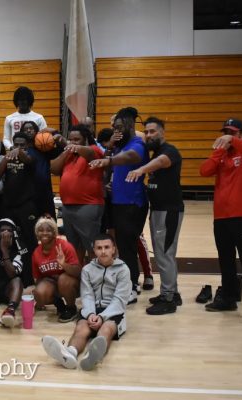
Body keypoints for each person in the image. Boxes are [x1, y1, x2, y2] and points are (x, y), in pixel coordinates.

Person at [200, 118, 242, 324]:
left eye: (232, 133)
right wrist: (219, 151)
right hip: (221, 218)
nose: (227, 136)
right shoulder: (221, 157)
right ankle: (228, 297)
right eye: (225, 132)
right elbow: (204, 171)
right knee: (225, 260)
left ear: (241, 136)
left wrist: (233, 142)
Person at [42, 234, 130, 370]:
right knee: (81, 329)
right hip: (92, 310)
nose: (103, 251)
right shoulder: (87, 269)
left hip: (113, 311)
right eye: (99, 248)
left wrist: (102, 317)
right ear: (94, 250)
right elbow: (87, 295)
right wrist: (90, 314)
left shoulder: (123, 270)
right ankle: (70, 354)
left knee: (106, 330)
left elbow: (119, 299)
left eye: (107, 247)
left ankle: (92, 356)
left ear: (114, 249)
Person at [89, 107, 149, 305]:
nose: (116, 130)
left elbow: (133, 157)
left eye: (120, 127)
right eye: (114, 127)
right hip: (118, 202)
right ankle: (127, 282)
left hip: (132, 203)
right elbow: (111, 164)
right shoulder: (119, 145)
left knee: (128, 246)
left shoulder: (137, 143)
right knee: (121, 245)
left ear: (130, 126)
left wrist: (109, 159)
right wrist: (111, 148)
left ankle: (132, 285)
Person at [126, 117, 184, 315]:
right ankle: (171, 292)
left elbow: (161, 162)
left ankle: (168, 298)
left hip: (169, 211)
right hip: (158, 210)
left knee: (164, 255)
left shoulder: (169, 151)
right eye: (147, 132)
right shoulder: (156, 151)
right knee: (163, 253)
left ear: (163, 132)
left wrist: (141, 169)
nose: (149, 135)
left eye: (153, 131)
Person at [50, 124, 104, 264]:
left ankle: (97, 280)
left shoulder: (94, 150)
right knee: (74, 248)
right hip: (68, 207)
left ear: (85, 140)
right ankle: (78, 281)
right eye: (71, 139)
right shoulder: (68, 155)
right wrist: (66, 150)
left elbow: (90, 153)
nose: (73, 142)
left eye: (77, 139)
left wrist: (76, 147)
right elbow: (54, 169)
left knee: (93, 247)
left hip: (88, 206)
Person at [0, 132, 39, 285]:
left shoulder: (31, 157)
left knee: (30, 239)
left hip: (26, 205)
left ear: (28, 146)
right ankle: (11, 273)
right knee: (7, 237)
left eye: (22, 145)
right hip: (8, 204)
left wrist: (19, 152)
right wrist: (7, 158)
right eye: (16, 144)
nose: (19, 147)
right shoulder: (7, 157)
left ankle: (31, 275)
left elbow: (28, 160)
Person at [32, 217, 81, 322]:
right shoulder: (36, 252)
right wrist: (40, 294)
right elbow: (38, 278)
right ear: (37, 234)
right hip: (51, 282)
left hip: (70, 282)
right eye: (41, 230)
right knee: (39, 293)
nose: (44, 233)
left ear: (54, 232)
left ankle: (71, 308)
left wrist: (64, 264)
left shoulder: (65, 246)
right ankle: (59, 305)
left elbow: (77, 271)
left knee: (63, 280)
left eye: (48, 230)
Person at [19, 121, 64, 219]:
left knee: (48, 224)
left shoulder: (44, 147)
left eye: (31, 128)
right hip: (27, 194)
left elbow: (61, 150)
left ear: (37, 131)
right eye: (26, 129)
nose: (29, 130)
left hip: (45, 192)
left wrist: (56, 133)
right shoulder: (20, 150)